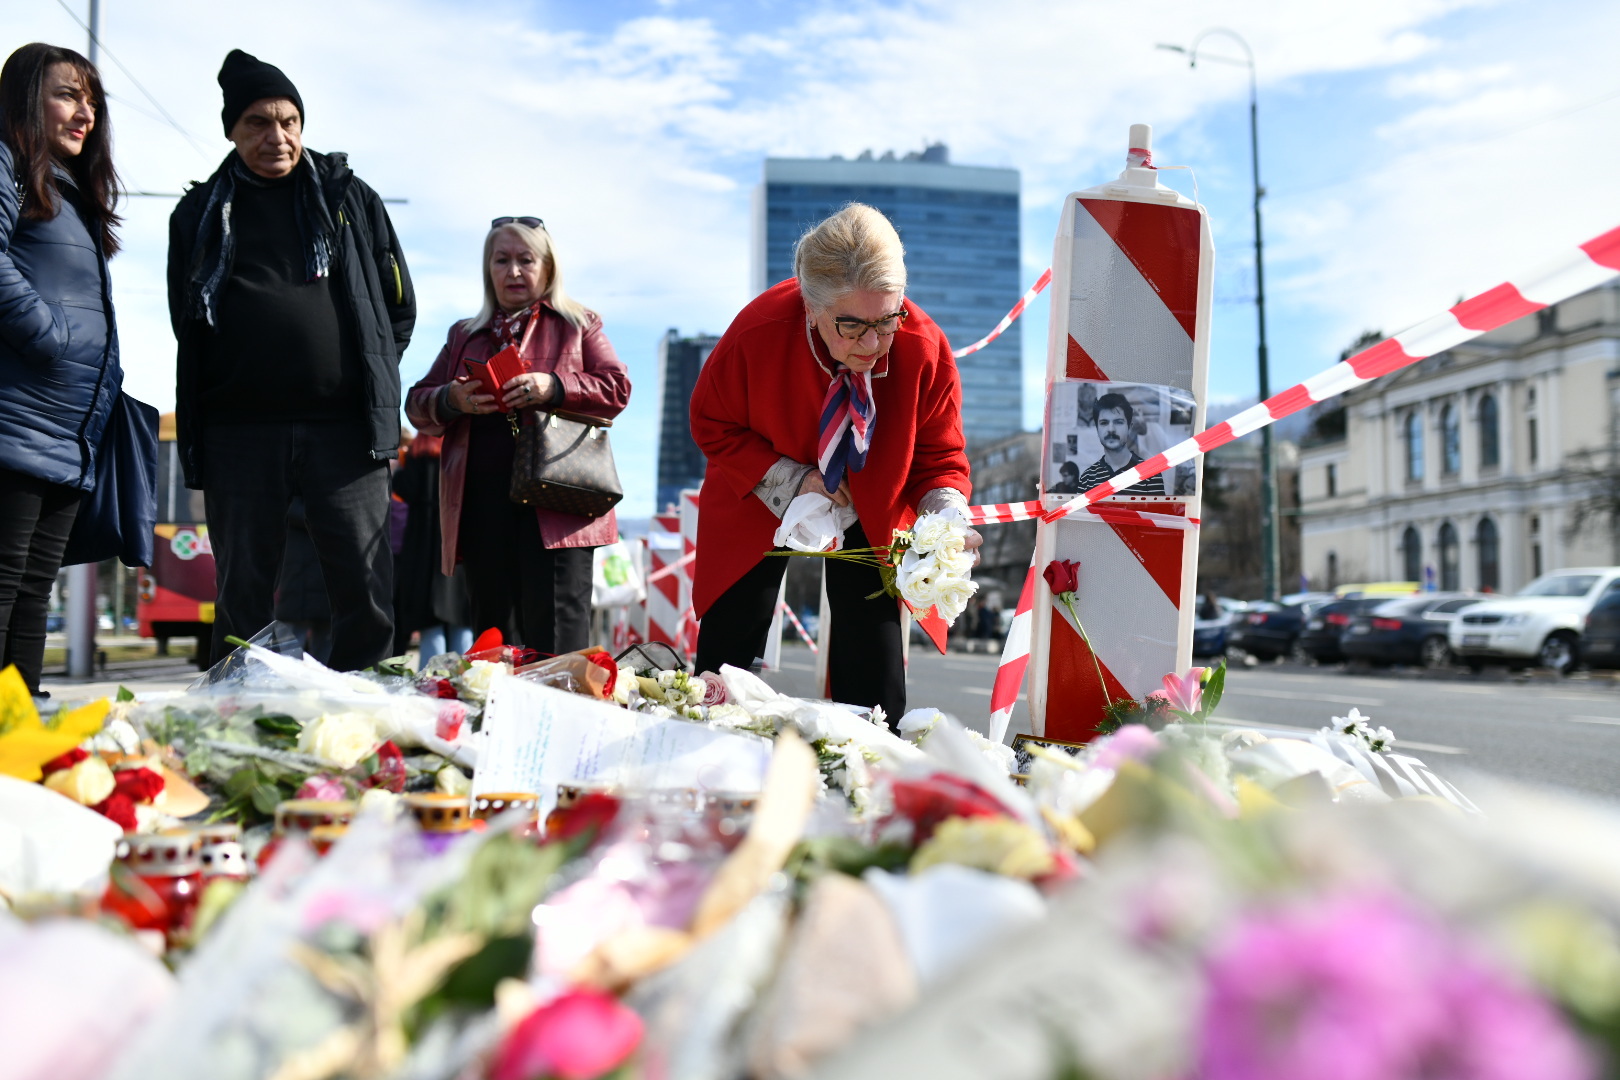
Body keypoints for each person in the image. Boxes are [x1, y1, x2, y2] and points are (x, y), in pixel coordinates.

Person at [167, 50, 416, 671]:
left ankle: (374, 707)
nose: (276, 137)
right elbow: (186, 322)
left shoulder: (350, 199)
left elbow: (397, 307)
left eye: (288, 121)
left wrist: (368, 375)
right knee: (243, 588)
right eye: (257, 123)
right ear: (231, 130)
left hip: (345, 430)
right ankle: (239, 708)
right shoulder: (197, 214)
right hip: (240, 431)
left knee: (365, 587)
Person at [689, 203, 980, 722]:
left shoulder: (922, 346)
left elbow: (939, 456)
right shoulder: (758, 331)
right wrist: (793, 481)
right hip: (759, 494)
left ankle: (862, 775)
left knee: (875, 679)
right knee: (725, 662)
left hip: (873, 505)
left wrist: (947, 513)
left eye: (887, 320)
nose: (872, 344)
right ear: (810, 306)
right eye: (851, 325)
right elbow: (711, 422)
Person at [406, 218, 630, 653]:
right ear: (488, 269)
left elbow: (617, 388)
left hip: (560, 506)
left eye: (526, 260)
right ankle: (493, 720)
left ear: (547, 268)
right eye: (501, 260)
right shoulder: (464, 334)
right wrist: (453, 398)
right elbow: (416, 404)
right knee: (493, 644)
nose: (513, 271)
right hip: (482, 507)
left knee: (558, 645)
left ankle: (563, 721)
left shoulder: (579, 323)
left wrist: (555, 386)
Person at [0, 44, 123, 695]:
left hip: (64, 430)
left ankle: (13, 744)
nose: (86, 114)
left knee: (29, 594)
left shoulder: (69, 190)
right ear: (26, 98)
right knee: (5, 585)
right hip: (17, 419)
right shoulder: (7, 165)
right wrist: (48, 338)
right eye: (68, 95)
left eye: (92, 101)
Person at [391, 431, 473, 666]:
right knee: (461, 619)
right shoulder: (459, 453)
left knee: (428, 620)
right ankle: (464, 679)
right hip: (457, 538)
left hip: (422, 545)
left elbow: (402, 488)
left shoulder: (416, 456)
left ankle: (431, 682)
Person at [1076, 392, 1165, 496]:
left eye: (1118, 422)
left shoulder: (1151, 475)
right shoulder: (1087, 478)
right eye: (1104, 423)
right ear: (1097, 429)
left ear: (1130, 427)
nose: (1111, 430)